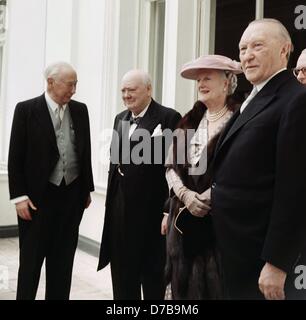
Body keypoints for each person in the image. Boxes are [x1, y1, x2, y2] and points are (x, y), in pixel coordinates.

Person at [211, 18, 306, 300]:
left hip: (262, 260)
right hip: (235, 252)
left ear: (284, 50)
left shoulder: (296, 100)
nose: (247, 55)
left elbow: (296, 188)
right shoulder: (252, 98)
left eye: (257, 46)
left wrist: (277, 262)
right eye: (242, 49)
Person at [8, 62, 94, 300]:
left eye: (76, 84)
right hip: (36, 200)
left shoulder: (80, 110)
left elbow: (83, 152)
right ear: (50, 82)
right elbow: (15, 156)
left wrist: (86, 189)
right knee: (30, 265)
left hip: (71, 198)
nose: (74, 89)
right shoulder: (26, 110)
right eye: (70, 84)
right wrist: (19, 197)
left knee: (63, 264)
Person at [163, 55, 242, 299]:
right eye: (198, 80)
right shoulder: (189, 121)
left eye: (208, 78)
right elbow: (170, 168)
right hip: (184, 228)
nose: (201, 84)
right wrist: (186, 196)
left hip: (219, 227)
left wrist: (209, 197)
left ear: (227, 83)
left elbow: (242, 172)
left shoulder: (240, 120)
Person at [97, 69, 181, 300]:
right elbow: (115, 164)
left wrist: (168, 210)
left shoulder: (169, 118)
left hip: (151, 217)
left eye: (131, 89)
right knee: (123, 281)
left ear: (148, 89)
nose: (126, 95)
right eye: (123, 90)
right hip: (118, 214)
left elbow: (177, 169)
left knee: (153, 280)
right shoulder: (119, 118)